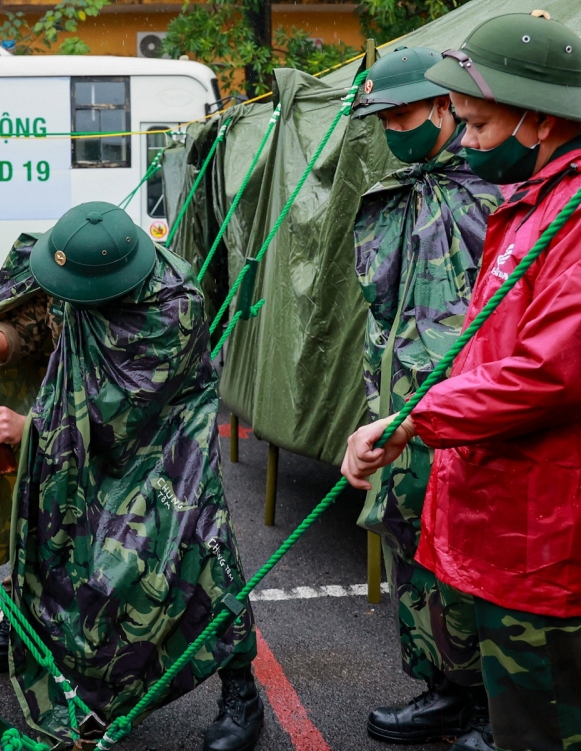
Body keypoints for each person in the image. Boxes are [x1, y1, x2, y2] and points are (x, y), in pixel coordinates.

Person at [343, 12, 581, 751]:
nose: (468, 141)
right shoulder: (536, 200)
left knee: (544, 718)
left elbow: (548, 368)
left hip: (546, 526)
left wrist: (419, 417)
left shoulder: (566, 215)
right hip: (499, 499)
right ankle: (467, 701)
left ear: (539, 120)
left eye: (476, 124)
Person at [0, 203, 261, 750]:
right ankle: (19, 636)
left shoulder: (173, 309)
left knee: (196, 546)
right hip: (73, 446)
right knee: (43, 528)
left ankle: (241, 692)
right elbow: (40, 324)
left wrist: (31, 428)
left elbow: (123, 410)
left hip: (163, 448)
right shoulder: (81, 272)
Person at [351, 47, 503, 750]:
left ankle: (489, 707)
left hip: (469, 417)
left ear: (446, 107)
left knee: (474, 559)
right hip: (404, 411)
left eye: (404, 114)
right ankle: (443, 686)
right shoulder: (401, 194)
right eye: (383, 119)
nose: (393, 129)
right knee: (415, 548)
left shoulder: (495, 193)